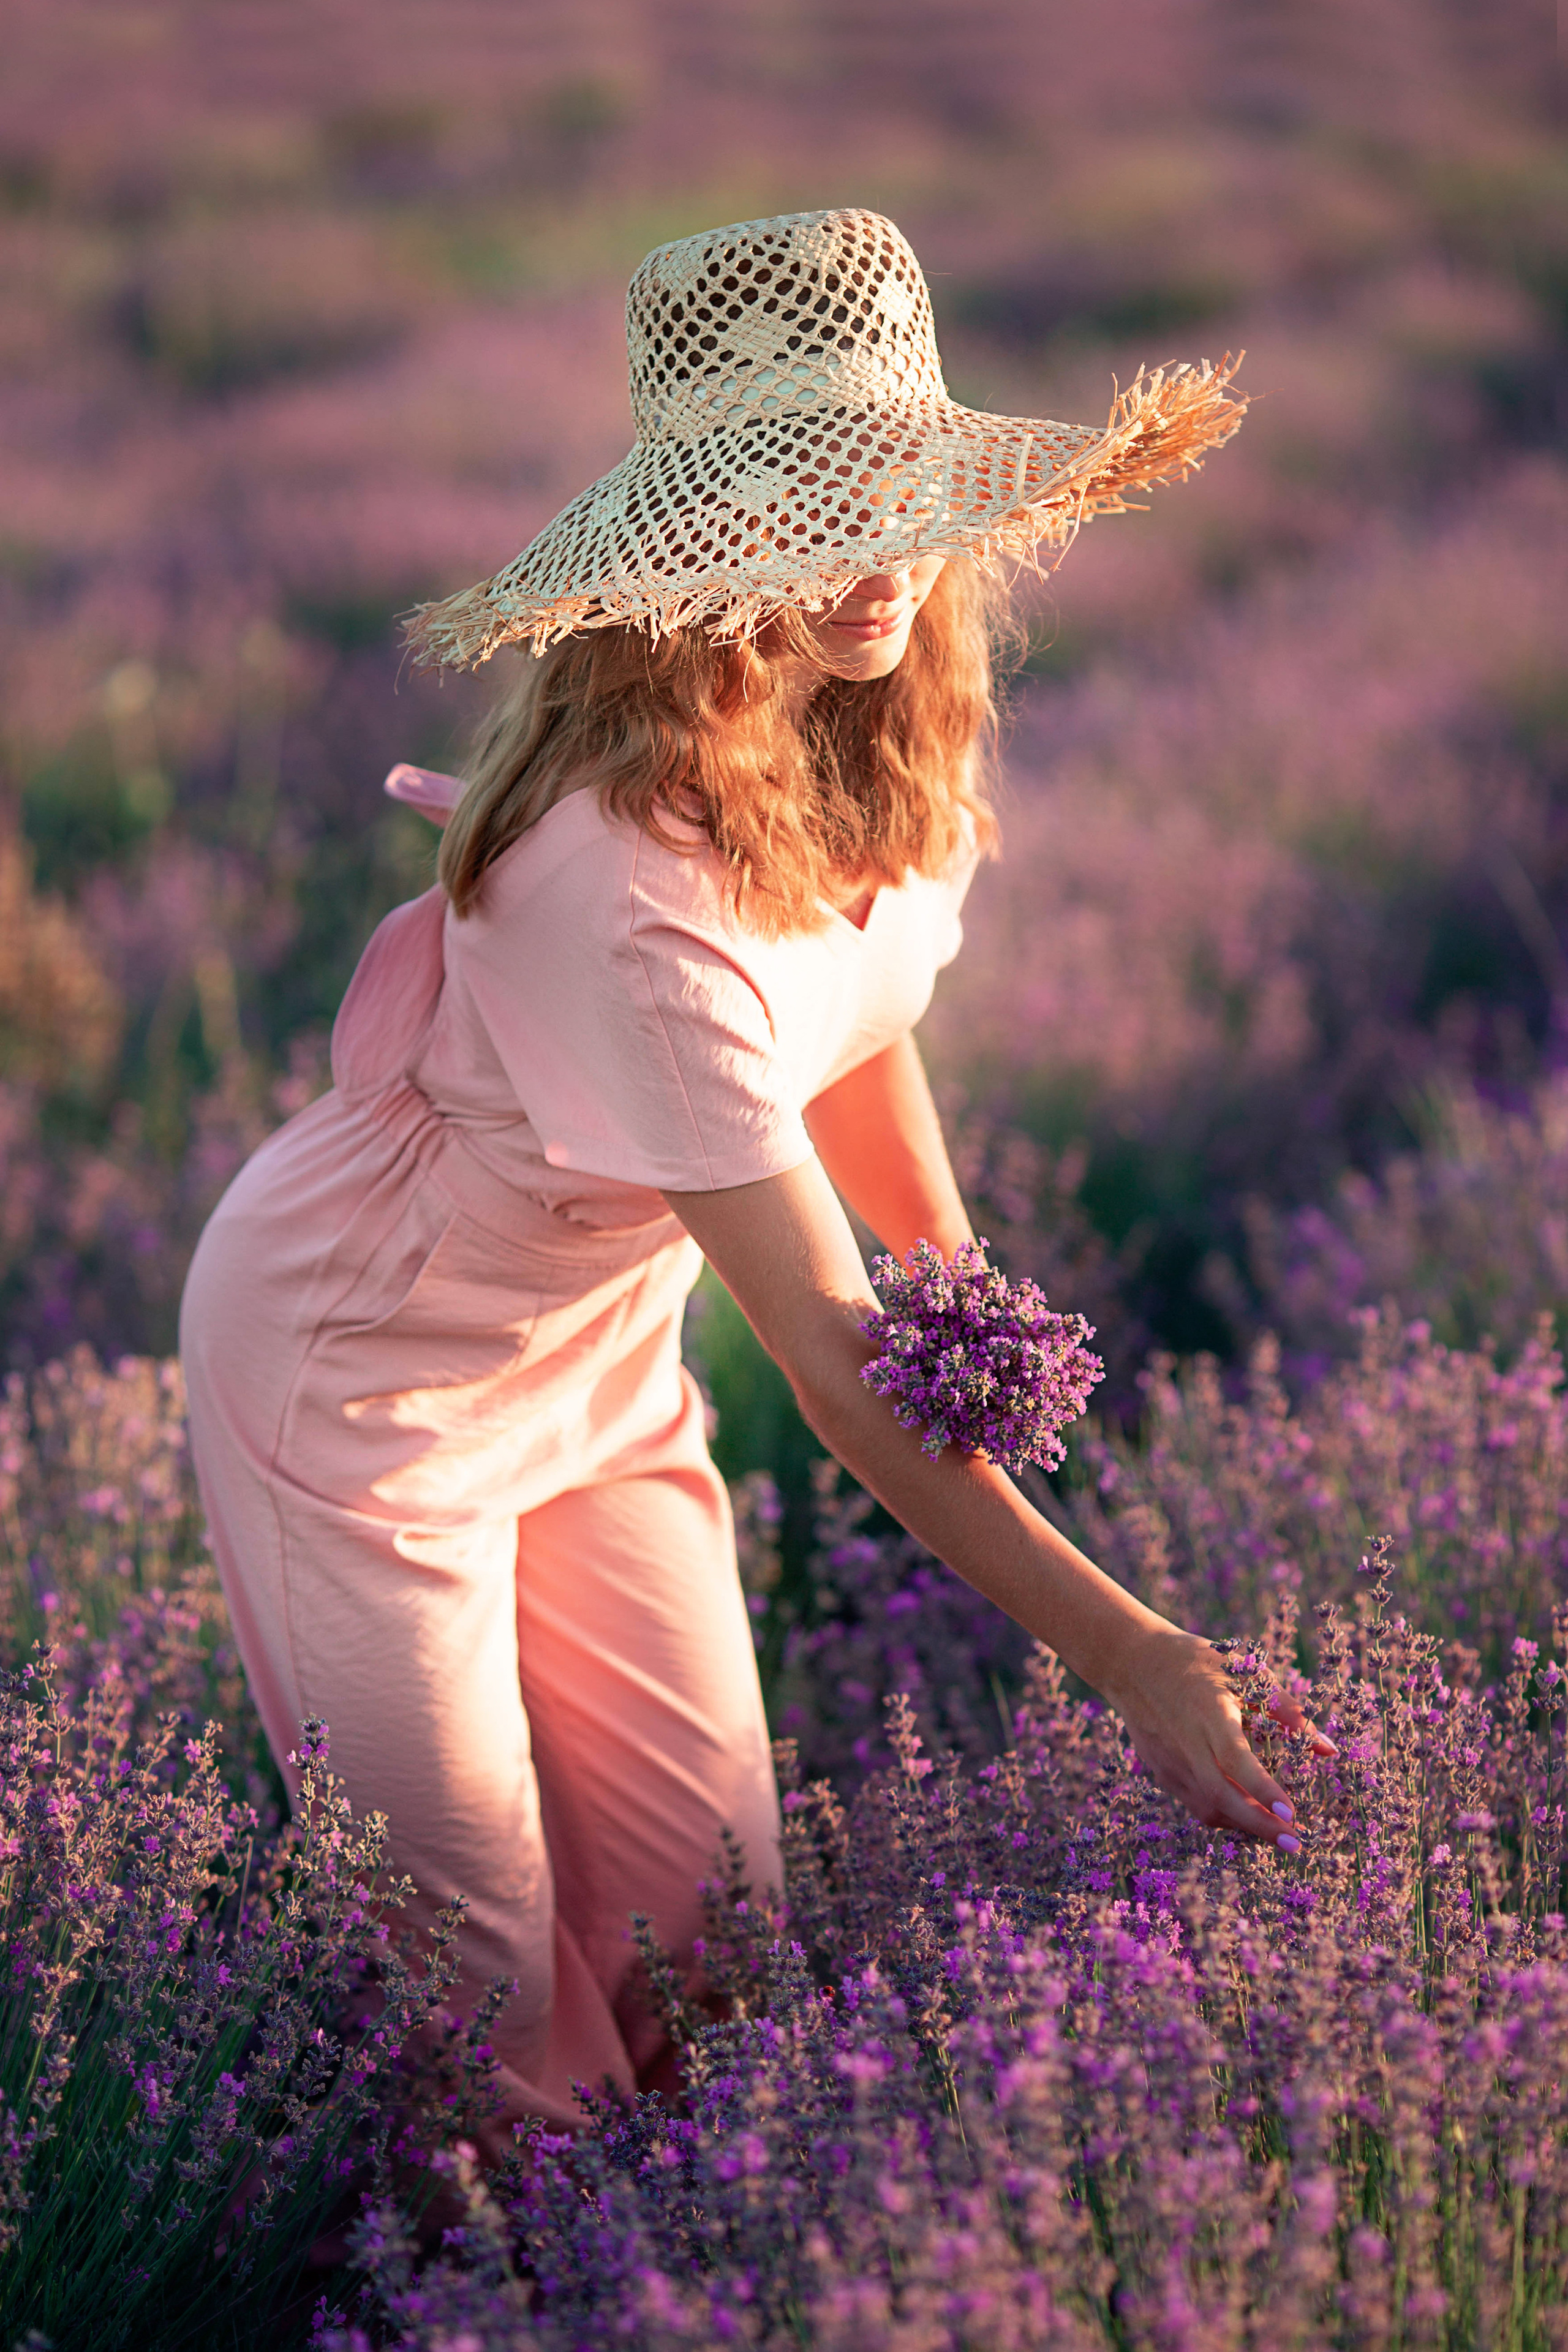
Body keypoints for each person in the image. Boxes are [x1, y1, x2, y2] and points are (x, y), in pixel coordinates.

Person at [180, 206, 1324, 2150]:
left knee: (710, 1926)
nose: (876, 556)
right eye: (810, 501)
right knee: (470, 1984)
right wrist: (1134, 1654)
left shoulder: (894, 735)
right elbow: (821, 1355)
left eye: (899, 486)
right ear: (692, 541)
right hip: (360, 1379)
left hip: (595, 1361)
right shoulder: (615, 888)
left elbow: (858, 1009)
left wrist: (952, 1270)